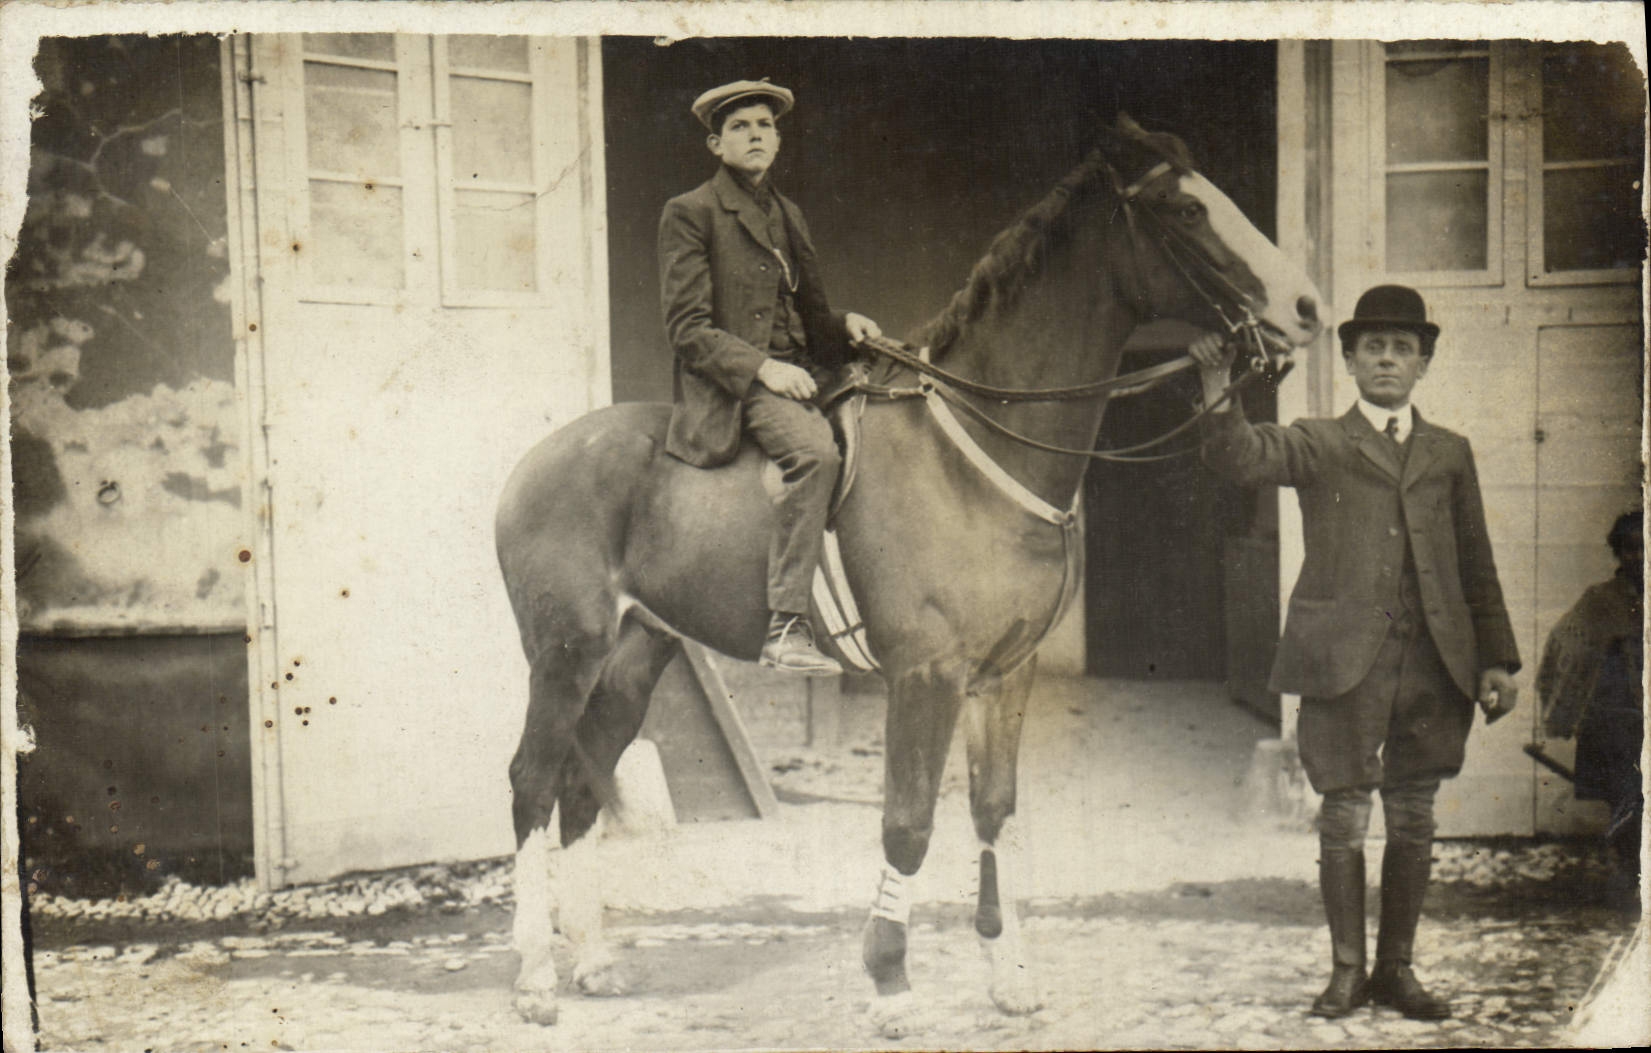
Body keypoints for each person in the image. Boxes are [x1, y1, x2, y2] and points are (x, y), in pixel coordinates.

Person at [1191, 284, 1521, 1020]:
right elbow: (1239, 456)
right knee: (1341, 814)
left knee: (1413, 814)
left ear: (1423, 363)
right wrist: (1217, 388)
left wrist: (1496, 657)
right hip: (1342, 663)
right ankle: (1346, 972)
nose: (1386, 359)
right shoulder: (1318, 441)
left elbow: (1476, 559)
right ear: (1347, 358)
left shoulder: (1449, 453)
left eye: (1402, 348)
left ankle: (1396, 970)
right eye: (1371, 346)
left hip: (1434, 662)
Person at [658, 79, 882, 676]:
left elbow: (810, 318)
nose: (755, 134)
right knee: (816, 455)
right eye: (739, 127)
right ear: (715, 143)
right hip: (741, 385)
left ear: (778, 140)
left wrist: (846, 324)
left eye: (764, 125)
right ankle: (786, 626)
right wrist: (763, 369)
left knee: (889, 421)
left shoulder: (788, 214)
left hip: (803, 371)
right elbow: (687, 328)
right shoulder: (691, 212)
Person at [1538, 509, 1643, 912]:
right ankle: (1632, 872)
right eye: (1630, 550)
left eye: (1645, 549)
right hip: (1616, 721)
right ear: (1618, 553)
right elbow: (1564, 644)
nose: (1638, 558)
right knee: (1625, 797)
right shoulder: (1601, 600)